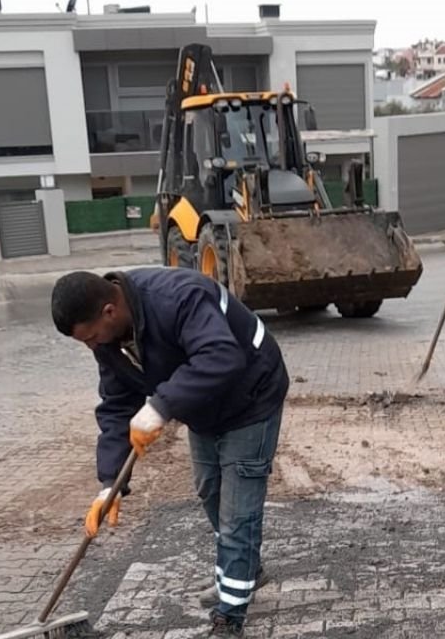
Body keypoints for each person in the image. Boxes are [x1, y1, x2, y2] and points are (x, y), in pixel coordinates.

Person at [50, 267, 289, 636]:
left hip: (252, 393)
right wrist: (110, 484)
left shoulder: (177, 296)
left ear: (109, 311)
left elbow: (221, 355)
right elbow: (116, 407)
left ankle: (230, 616)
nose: (92, 347)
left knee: (237, 512)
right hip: (205, 407)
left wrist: (161, 405)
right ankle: (246, 571)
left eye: (92, 337)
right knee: (211, 489)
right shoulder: (109, 343)